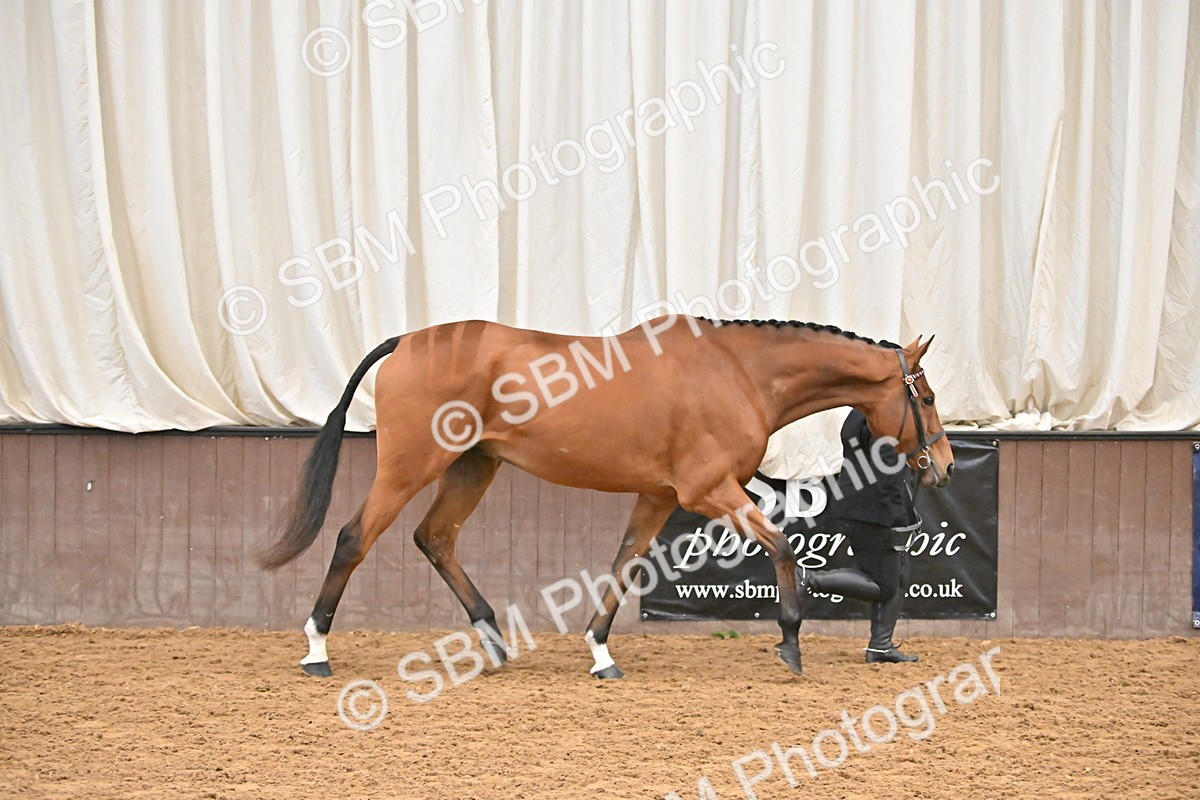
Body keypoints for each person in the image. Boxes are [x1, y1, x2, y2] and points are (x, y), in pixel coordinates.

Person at [799, 409, 921, 663]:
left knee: (898, 575)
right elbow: (887, 477)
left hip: (855, 505)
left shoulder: (856, 415)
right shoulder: (886, 421)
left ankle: (881, 646)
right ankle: (809, 579)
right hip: (875, 511)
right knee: (885, 585)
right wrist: (898, 516)